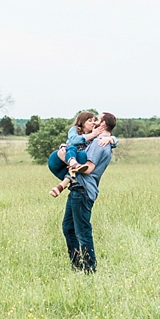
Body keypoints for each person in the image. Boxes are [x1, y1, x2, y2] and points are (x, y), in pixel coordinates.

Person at [62, 112, 116, 273]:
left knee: (82, 230)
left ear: (104, 125)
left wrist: (73, 164)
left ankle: (89, 268)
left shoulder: (100, 144)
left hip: (83, 189)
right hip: (77, 188)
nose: (95, 123)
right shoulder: (101, 141)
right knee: (68, 228)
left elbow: (89, 168)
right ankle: (77, 265)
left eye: (97, 120)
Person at [48, 111, 116, 197]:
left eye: (95, 120)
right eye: (90, 120)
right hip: (58, 160)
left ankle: (62, 185)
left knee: (82, 157)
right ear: (82, 122)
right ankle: (73, 164)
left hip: (70, 168)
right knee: (73, 149)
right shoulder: (75, 129)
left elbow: (113, 139)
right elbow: (73, 140)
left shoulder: (97, 138)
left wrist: (111, 139)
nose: (93, 123)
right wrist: (91, 135)